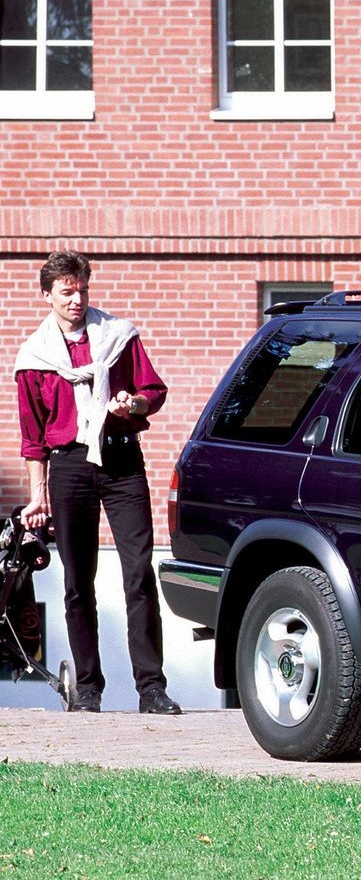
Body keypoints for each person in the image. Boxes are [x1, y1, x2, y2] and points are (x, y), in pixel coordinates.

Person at [13, 250, 181, 715]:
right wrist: (37, 496)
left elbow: (154, 391)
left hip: (122, 461)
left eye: (82, 290)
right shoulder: (34, 358)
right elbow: (33, 440)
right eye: (67, 292)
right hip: (69, 468)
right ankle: (88, 689)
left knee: (138, 572)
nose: (77, 299)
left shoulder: (118, 337)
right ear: (47, 295)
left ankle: (152, 688)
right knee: (76, 581)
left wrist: (134, 406)